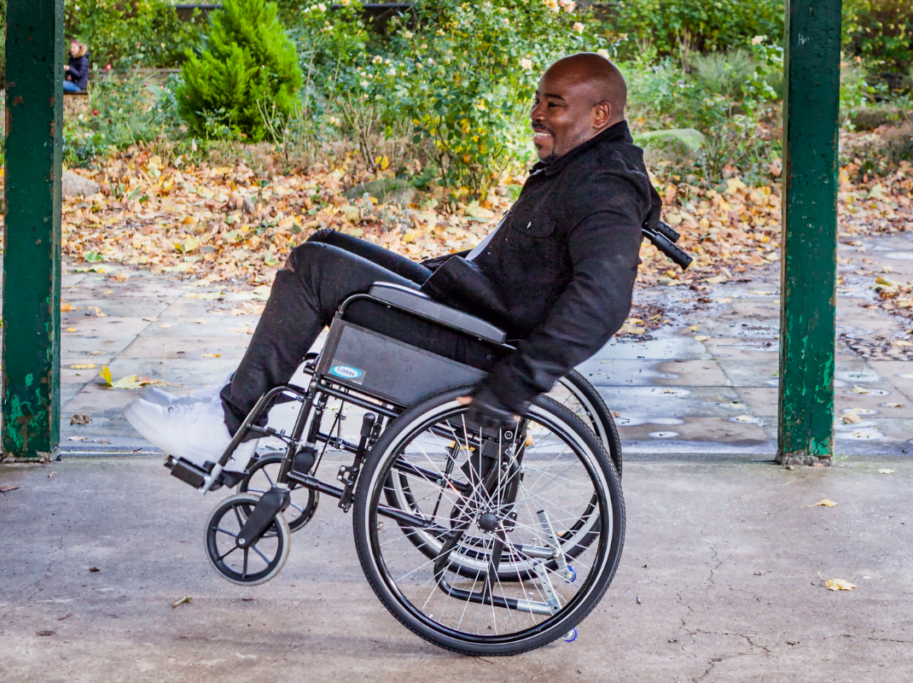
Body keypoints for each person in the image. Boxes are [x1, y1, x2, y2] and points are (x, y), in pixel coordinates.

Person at [124, 52, 661, 473]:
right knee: (326, 241)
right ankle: (240, 397)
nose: (536, 114)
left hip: (483, 338)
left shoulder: (606, 187)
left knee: (314, 266)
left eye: (554, 104)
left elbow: (603, 300)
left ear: (599, 114)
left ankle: (229, 424)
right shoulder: (586, 163)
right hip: (473, 301)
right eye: (538, 100)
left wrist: (515, 384)